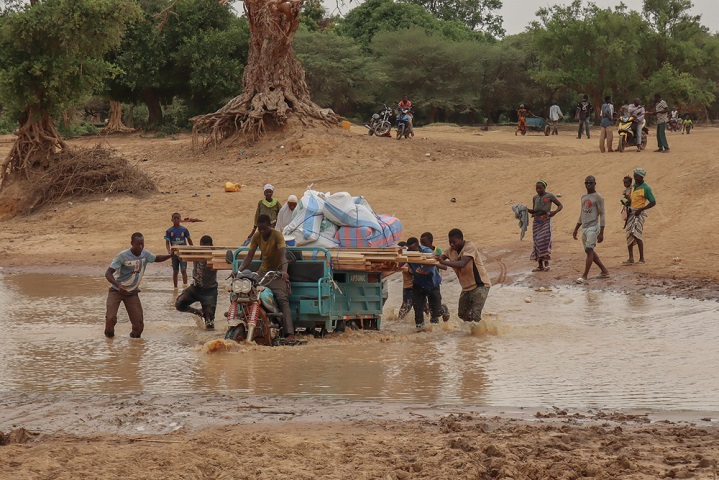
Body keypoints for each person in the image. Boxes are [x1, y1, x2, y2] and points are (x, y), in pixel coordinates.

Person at [238, 214, 296, 344]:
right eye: (260, 229)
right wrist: (239, 270)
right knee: (248, 293)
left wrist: (284, 272)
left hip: (277, 273)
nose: (262, 232)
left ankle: (289, 333)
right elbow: (249, 257)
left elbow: (283, 256)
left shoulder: (277, 235)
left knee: (283, 299)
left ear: (270, 226)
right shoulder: (257, 236)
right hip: (263, 272)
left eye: (264, 229)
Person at [104, 233, 173, 338]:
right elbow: (108, 274)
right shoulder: (122, 256)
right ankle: (109, 340)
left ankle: (134, 345)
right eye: (138, 244)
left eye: (142, 244)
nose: (140, 247)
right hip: (116, 291)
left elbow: (157, 258)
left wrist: (170, 255)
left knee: (139, 325)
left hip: (132, 293)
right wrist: (118, 286)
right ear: (132, 243)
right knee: (111, 318)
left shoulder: (145, 254)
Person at [436, 229, 491, 323]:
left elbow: (462, 263)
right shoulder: (450, 251)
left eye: (454, 242)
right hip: (466, 287)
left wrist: (443, 262)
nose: (452, 245)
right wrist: (433, 261)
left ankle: (477, 331)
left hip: (480, 285)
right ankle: (474, 332)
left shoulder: (470, 247)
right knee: (462, 314)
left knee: (475, 315)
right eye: (450, 243)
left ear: (461, 239)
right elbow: (441, 262)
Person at [175, 235, 218, 330]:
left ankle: (207, 317)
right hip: (196, 287)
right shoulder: (196, 253)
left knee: (209, 324)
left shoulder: (215, 255)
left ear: (211, 245)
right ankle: (198, 312)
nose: (205, 249)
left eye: (207, 246)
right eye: (203, 246)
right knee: (179, 304)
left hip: (210, 290)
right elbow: (183, 254)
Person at [572, 176, 609, 284]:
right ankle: (604, 271)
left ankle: (584, 275)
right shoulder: (583, 197)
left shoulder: (598, 197)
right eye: (586, 183)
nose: (588, 184)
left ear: (595, 183)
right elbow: (582, 213)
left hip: (593, 227)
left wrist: (601, 232)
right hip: (584, 227)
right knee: (589, 251)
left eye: (590, 183)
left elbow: (602, 214)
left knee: (589, 250)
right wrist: (576, 228)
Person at [406, 237, 443, 331]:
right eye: (410, 251)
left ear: (419, 247)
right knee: (418, 310)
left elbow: (431, 266)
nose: (413, 253)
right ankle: (420, 331)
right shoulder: (407, 253)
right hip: (418, 284)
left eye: (414, 251)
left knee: (435, 313)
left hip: (432, 283)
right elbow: (399, 261)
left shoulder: (427, 252)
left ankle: (443, 310)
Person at [527, 180, 563, 272]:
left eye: (540, 188)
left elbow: (560, 205)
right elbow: (535, 210)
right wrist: (526, 210)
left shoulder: (549, 196)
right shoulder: (535, 198)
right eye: (537, 188)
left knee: (543, 241)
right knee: (536, 242)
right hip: (536, 222)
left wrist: (554, 212)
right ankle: (540, 265)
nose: (538, 190)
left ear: (544, 188)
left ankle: (546, 264)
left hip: (546, 221)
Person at [623, 168, 656, 266]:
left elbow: (653, 202)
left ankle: (642, 258)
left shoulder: (646, 188)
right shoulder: (634, 186)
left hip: (639, 213)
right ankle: (631, 258)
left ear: (641, 177)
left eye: (636, 176)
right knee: (629, 233)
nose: (635, 177)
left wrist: (641, 210)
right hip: (632, 212)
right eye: (634, 175)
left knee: (636, 234)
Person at [420, 232, 450, 321]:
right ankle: (433, 328)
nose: (423, 246)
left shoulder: (438, 251)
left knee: (436, 310)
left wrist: (433, 262)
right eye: (421, 243)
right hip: (423, 282)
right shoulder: (421, 251)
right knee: (424, 307)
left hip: (434, 282)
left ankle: (443, 309)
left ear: (431, 241)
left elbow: (442, 265)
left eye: (424, 243)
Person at [165, 212, 193, 288]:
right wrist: (169, 251)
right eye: (175, 218)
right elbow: (167, 243)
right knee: (175, 271)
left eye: (178, 218)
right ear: (172, 220)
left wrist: (192, 248)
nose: (176, 220)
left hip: (183, 252)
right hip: (174, 253)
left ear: (180, 219)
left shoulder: (184, 230)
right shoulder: (169, 231)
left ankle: (185, 286)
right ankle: (175, 287)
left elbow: (189, 239)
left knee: (183, 270)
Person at [397, 241, 415, 320]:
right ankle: (399, 321)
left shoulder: (411, 257)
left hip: (417, 285)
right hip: (408, 286)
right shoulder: (401, 260)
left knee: (425, 306)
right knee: (406, 306)